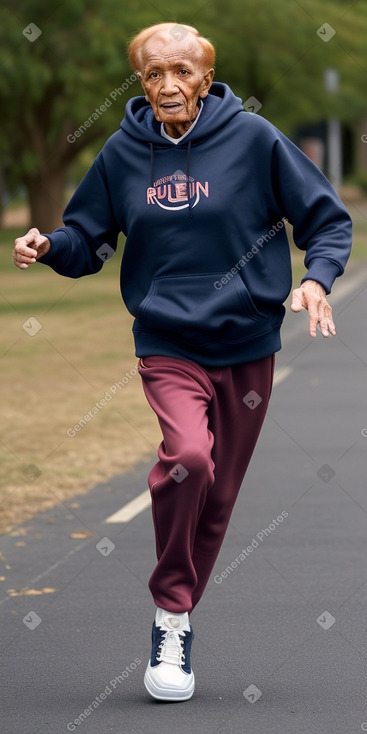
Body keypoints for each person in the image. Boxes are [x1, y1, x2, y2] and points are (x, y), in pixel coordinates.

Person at [13, 22, 352, 703]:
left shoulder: (254, 140)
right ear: (138, 83)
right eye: (152, 75)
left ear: (206, 76)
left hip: (248, 344)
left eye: (181, 73)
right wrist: (51, 245)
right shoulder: (121, 152)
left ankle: (177, 606)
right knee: (188, 459)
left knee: (218, 498)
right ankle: (172, 615)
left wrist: (315, 277)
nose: (167, 86)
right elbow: (87, 237)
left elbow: (325, 220)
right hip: (167, 342)